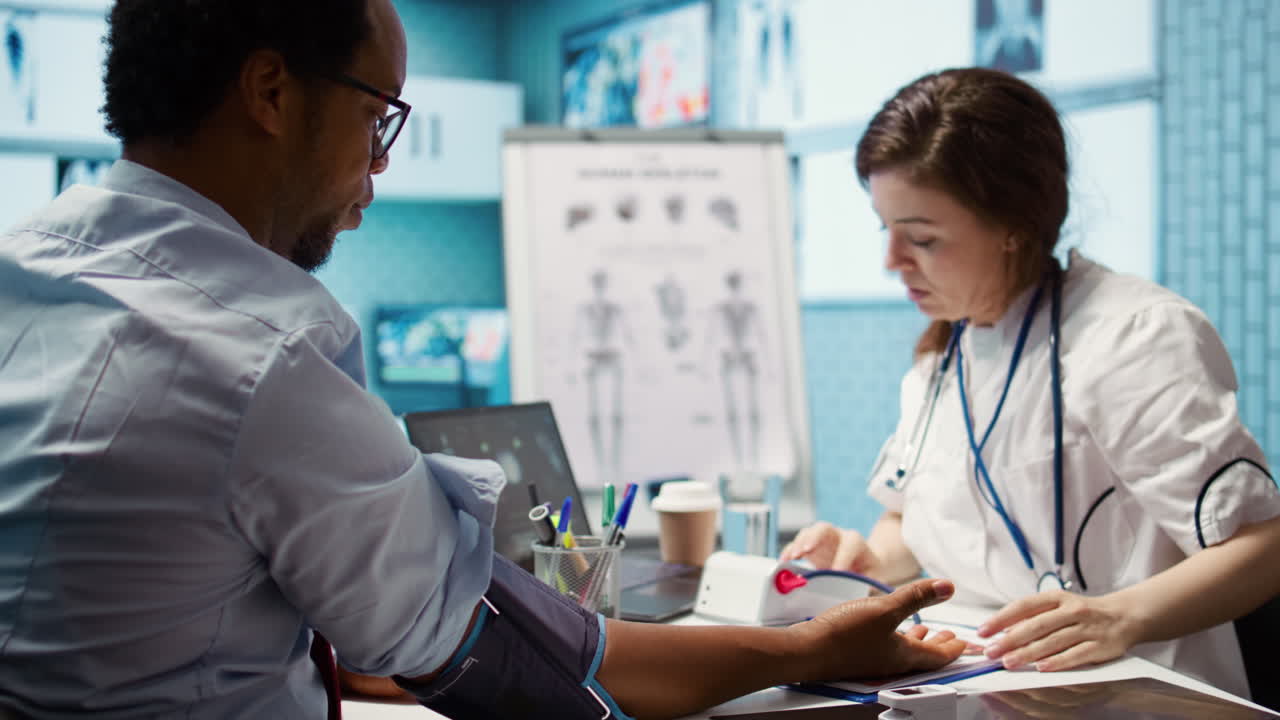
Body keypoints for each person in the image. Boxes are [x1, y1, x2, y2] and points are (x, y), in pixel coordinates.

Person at [0, 2, 967, 718]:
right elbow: (511, 661)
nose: (378, 166)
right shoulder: (266, 356)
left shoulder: (21, 276)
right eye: (378, 116)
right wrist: (802, 651)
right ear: (271, 92)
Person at [780, 67, 1280, 699]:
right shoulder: (946, 352)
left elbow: (1263, 548)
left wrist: (1122, 615)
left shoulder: (1133, 336)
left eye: (923, 238)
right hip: (993, 688)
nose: (892, 263)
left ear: (1013, 224)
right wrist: (865, 564)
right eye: (887, 231)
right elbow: (910, 519)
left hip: (1140, 696)